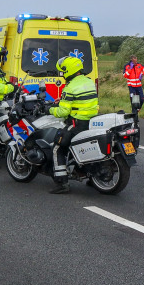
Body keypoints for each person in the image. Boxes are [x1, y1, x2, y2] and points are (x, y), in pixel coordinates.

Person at [47, 55, 99, 194]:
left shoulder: (69, 87)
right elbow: (81, 100)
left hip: (77, 123)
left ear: (69, 70)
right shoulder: (88, 81)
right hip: (92, 122)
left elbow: (63, 112)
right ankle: (90, 175)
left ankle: (61, 183)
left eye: (63, 71)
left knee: (57, 147)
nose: (62, 75)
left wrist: (50, 109)